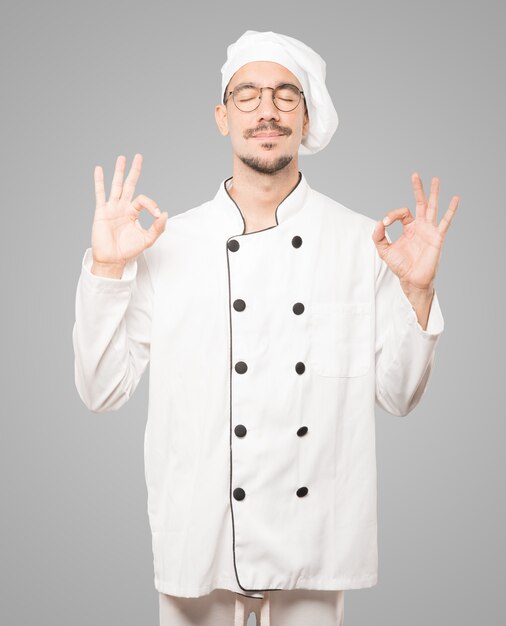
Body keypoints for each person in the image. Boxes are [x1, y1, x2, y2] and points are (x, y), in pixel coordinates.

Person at [72, 30, 459, 626]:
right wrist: (107, 268)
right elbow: (101, 390)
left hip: (314, 547)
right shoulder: (167, 242)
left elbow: (399, 396)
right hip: (196, 543)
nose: (267, 111)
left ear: (305, 118)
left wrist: (418, 289)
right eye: (247, 95)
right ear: (222, 116)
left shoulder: (363, 243)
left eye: (285, 95)